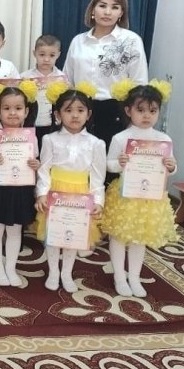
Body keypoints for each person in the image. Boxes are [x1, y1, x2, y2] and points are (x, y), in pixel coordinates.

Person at [101, 80, 178, 298]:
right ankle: (119, 276)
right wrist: (120, 163)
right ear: (129, 111)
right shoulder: (121, 138)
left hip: (150, 197)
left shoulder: (163, 139)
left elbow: (170, 167)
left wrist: (171, 166)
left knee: (139, 237)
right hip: (125, 194)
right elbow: (109, 165)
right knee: (118, 236)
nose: (146, 116)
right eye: (141, 110)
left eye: (152, 111)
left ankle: (134, 277)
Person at [34, 82, 106, 293]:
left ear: (88, 114)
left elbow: (97, 176)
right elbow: (44, 170)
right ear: (58, 114)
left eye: (80, 110)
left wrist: (98, 201)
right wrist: (41, 194)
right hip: (55, 192)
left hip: (81, 195)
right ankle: (53, 271)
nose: (75, 115)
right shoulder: (49, 139)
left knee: (73, 235)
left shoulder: (96, 143)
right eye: (68, 110)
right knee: (54, 235)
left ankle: (66, 273)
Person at [62, 0, 148, 151]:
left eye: (115, 7)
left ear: (121, 13)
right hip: (80, 110)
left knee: (111, 161)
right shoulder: (78, 41)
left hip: (116, 112)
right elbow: (67, 81)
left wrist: (136, 118)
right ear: (93, 9)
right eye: (102, 6)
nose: (107, 12)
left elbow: (140, 83)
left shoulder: (131, 40)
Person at [0, 81, 40, 288]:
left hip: (21, 190)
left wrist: (36, 164)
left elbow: (35, 162)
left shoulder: (32, 138)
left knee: (15, 230)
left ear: (26, 111)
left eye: (18, 108)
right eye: (6, 108)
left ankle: (11, 268)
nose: (12, 113)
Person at [21, 34, 67, 150]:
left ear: (58, 55)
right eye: (42, 55)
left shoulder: (62, 79)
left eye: (52, 55)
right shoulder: (25, 77)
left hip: (55, 125)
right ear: (34, 53)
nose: (46, 59)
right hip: (30, 124)